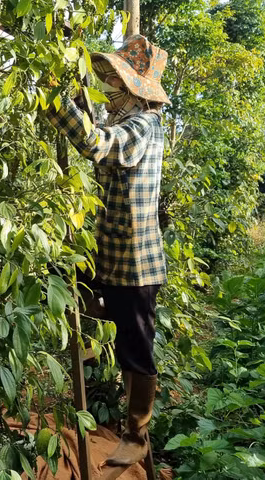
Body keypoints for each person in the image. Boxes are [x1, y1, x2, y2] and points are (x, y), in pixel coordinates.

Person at [44, 34, 171, 467]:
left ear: (133, 90)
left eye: (114, 83)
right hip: (110, 258)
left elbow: (97, 144)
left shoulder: (143, 127)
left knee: (138, 351)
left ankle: (137, 433)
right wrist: (77, 101)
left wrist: (56, 103)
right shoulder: (130, 123)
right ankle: (93, 344)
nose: (109, 90)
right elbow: (102, 137)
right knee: (71, 281)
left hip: (135, 265)